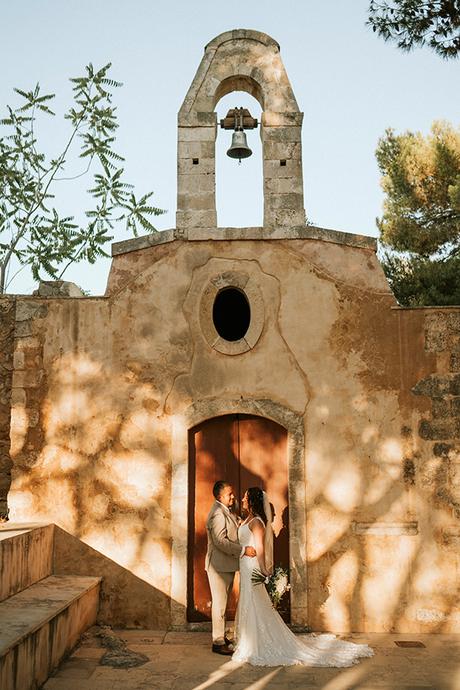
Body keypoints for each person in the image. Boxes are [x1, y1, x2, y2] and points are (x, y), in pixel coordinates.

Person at [232, 487, 374, 667]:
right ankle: (248, 641)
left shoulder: (257, 523)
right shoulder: (247, 519)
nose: (242, 500)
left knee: (255, 603)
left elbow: (260, 549)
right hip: (244, 566)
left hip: (252, 567)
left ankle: (255, 645)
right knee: (249, 601)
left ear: (251, 501)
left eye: (245, 497)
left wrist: (264, 571)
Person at [205, 480, 256, 655]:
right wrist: (243, 550)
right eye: (229, 494)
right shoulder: (218, 513)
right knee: (219, 604)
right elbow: (220, 541)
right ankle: (218, 641)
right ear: (220, 496)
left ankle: (221, 636)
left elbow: (231, 531)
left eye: (233, 494)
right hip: (218, 566)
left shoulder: (225, 511)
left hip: (225, 565)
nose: (233, 497)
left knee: (223, 603)